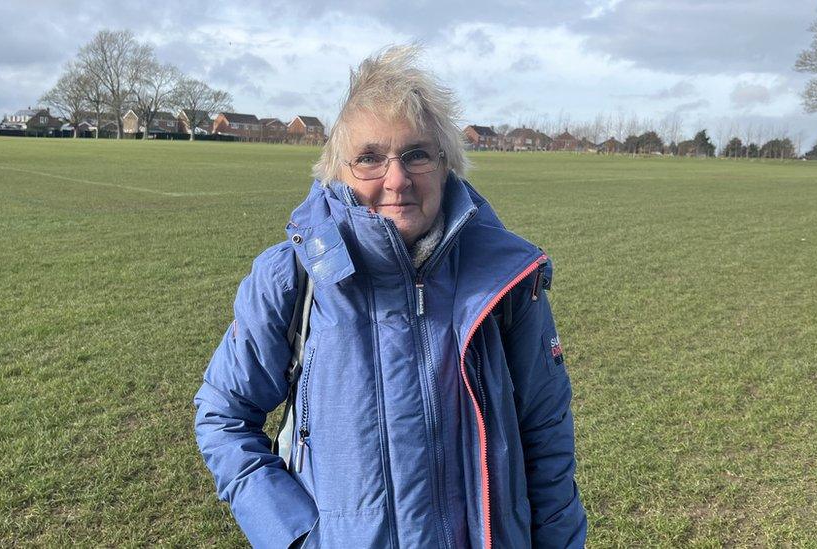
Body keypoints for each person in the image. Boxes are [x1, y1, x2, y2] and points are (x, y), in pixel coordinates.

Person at [194, 45, 587, 548]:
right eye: (370, 158)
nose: (396, 179)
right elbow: (223, 416)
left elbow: (546, 434)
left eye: (417, 154)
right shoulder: (291, 277)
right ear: (338, 172)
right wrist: (294, 536)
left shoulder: (507, 280)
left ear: (446, 165)